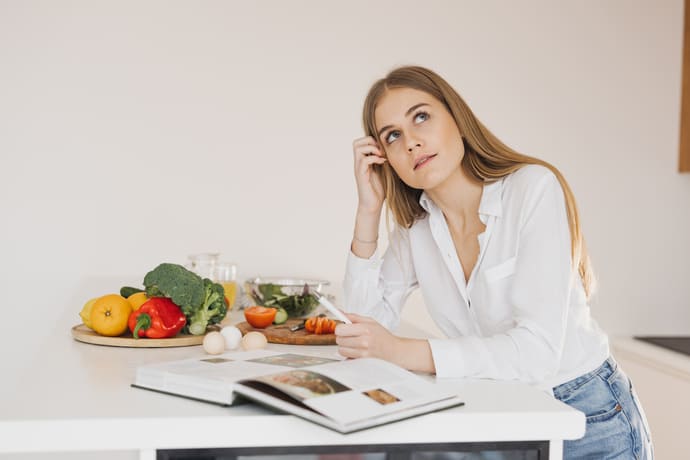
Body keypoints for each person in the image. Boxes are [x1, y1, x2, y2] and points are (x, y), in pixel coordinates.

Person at [335, 65, 653, 459]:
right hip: (507, 412)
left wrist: (402, 350)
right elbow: (361, 333)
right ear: (386, 158)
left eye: (421, 117)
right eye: (393, 136)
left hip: (589, 416)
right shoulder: (417, 229)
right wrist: (368, 211)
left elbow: (536, 352)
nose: (412, 142)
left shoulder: (533, 189)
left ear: (458, 119)